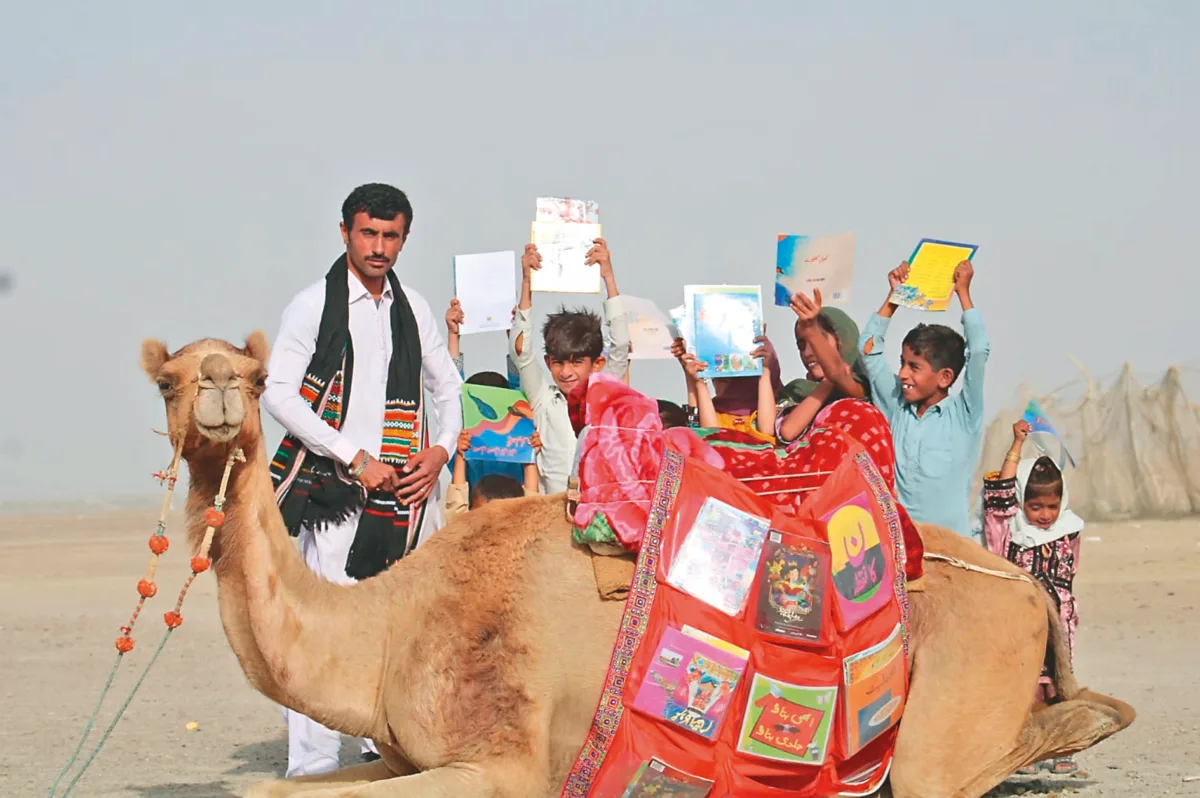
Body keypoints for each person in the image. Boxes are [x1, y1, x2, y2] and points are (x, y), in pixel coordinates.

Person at [261, 183, 463, 777]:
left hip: (410, 497)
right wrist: (353, 457)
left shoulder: (413, 307)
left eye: (390, 235)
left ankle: (393, 749)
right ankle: (314, 772)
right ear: (345, 231)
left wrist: (440, 449)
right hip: (338, 495)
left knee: (409, 630)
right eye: (368, 233)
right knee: (324, 634)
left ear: (404, 238)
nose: (379, 247)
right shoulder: (314, 306)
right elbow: (278, 393)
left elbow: (446, 386)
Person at [982, 419, 1084, 775]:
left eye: (1051, 506)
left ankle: (1061, 747)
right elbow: (1001, 497)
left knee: (1058, 685)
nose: (1044, 515)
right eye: (1036, 506)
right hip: (1019, 624)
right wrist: (1016, 447)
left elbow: (1070, 577)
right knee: (1024, 688)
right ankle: (1024, 750)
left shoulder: (1068, 529)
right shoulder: (1010, 532)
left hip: (1058, 625)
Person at [858, 260, 989, 537]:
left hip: (952, 547)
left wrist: (963, 293)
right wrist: (894, 298)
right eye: (902, 363)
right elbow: (868, 350)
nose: (903, 374)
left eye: (914, 367)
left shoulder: (964, 415)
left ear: (944, 377)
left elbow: (978, 351)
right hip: (902, 544)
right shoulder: (896, 405)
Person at [510, 239, 630, 494]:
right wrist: (527, 283)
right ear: (548, 363)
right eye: (558, 362)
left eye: (576, 362)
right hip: (551, 518)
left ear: (597, 363)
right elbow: (521, 351)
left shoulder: (603, 395)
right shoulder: (542, 399)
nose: (566, 372)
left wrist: (608, 276)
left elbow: (620, 346)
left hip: (596, 514)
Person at [774, 288, 870, 444]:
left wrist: (811, 329)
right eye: (801, 345)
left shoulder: (865, 384)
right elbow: (788, 431)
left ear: (844, 341)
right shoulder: (797, 391)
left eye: (818, 340)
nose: (807, 352)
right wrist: (827, 383)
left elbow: (844, 379)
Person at [670, 333, 782, 442]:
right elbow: (711, 436)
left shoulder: (772, 413)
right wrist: (696, 378)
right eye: (716, 369)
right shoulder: (712, 413)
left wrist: (764, 369)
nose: (722, 377)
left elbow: (767, 430)